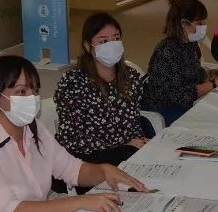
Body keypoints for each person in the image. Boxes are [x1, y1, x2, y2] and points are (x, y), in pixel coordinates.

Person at [0, 55, 146, 212]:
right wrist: (80, 202)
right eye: (21, 92)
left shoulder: (33, 129)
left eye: (34, 90)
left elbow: (73, 169)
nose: (32, 97)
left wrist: (104, 170)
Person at [53, 13, 150, 178]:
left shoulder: (130, 77)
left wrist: (139, 140)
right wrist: (122, 145)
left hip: (125, 149)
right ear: (88, 46)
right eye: (103, 41)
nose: (111, 45)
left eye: (116, 38)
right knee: (131, 157)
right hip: (86, 157)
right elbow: (73, 137)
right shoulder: (73, 82)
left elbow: (134, 123)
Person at [143, 0, 218, 125]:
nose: (203, 27)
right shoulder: (167, 51)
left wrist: (217, 72)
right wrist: (215, 83)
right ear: (183, 24)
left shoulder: (190, 44)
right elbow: (181, 95)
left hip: (182, 102)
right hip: (164, 109)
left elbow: (195, 75)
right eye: (199, 23)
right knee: (211, 122)